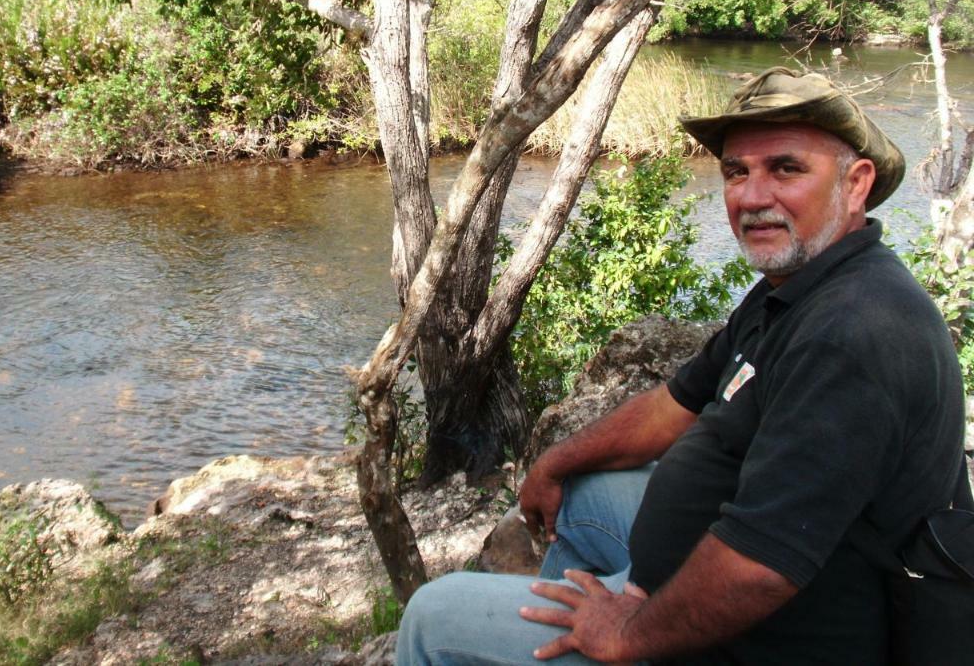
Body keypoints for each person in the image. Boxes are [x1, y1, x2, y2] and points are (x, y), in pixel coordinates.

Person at [396, 67, 967, 665]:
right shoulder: (797, 288)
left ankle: (590, 638)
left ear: (855, 184)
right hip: (697, 566)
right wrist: (552, 462)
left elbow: (761, 567)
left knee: (434, 616)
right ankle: (572, 612)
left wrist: (625, 632)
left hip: (761, 637)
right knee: (585, 489)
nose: (752, 196)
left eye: (786, 169)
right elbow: (671, 407)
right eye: (736, 172)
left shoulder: (855, 334)